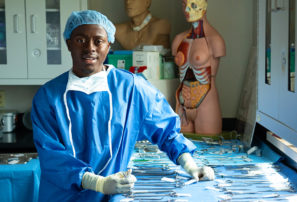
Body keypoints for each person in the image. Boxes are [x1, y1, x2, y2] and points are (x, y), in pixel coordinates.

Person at [31, 10, 214, 201]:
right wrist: (98, 183)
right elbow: (52, 157)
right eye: (80, 40)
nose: (89, 48)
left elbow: (166, 131)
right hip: (62, 196)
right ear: (68, 43)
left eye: (98, 41)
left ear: (109, 45)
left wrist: (190, 165)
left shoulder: (131, 88)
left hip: (111, 196)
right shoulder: (48, 97)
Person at [172, 0, 226, 135]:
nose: (187, 10)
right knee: (180, 148)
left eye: (193, 5)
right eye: (184, 5)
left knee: (209, 148)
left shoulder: (214, 40)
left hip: (206, 100)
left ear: (204, 7)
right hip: (182, 100)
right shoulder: (179, 39)